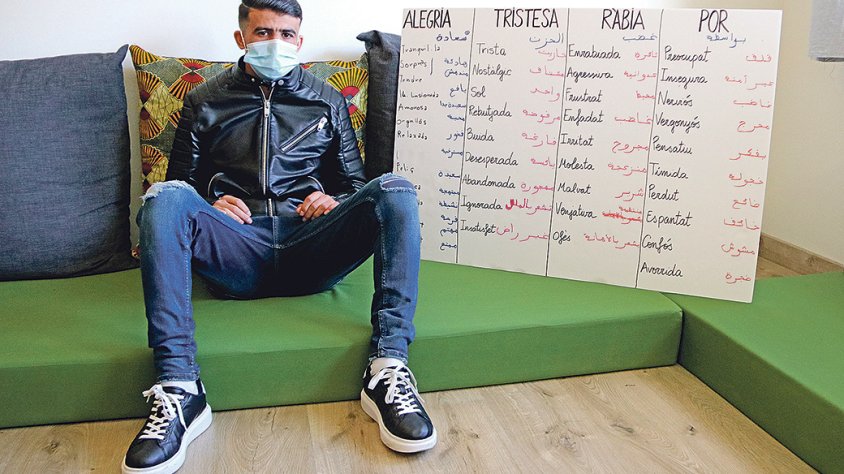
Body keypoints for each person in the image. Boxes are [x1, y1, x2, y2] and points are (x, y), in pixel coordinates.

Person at [122, 1, 436, 472]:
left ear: (299, 40)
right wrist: (209, 203)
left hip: (310, 245)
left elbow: (354, 187)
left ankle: (388, 366)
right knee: (163, 198)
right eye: (264, 32)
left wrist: (332, 199)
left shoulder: (327, 100)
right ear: (241, 38)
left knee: (395, 190)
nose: (276, 43)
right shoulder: (204, 100)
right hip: (237, 249)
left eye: (287, 34)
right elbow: (179, 186)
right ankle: (180, 386)